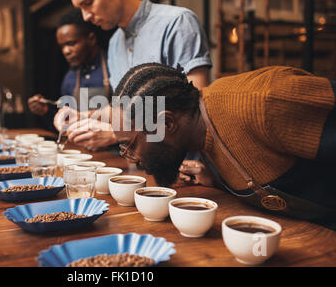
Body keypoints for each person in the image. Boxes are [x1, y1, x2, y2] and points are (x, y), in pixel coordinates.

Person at [112, 63, 336, 229]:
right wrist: (220, 181)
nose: (130, 157)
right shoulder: (198, 134)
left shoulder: (265, 101)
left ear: (165, 123)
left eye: (129, 145)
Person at [54, 0, 212, 151]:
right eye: (80, 8)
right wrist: (83, 116)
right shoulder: (114, 43)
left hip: (183, 170)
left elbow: (195, 113)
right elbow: (121, 110)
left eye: (88, 2)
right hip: (136, 166)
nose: (85, 16)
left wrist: (117, 134)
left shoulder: (177, 23)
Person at [27, 8, 110, 129]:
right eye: (62, 46)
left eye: (71, 43)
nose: (66, 51)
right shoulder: (70, 77)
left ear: (91, 39)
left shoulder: (113, 64)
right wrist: (45, 111)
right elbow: (65, 125)